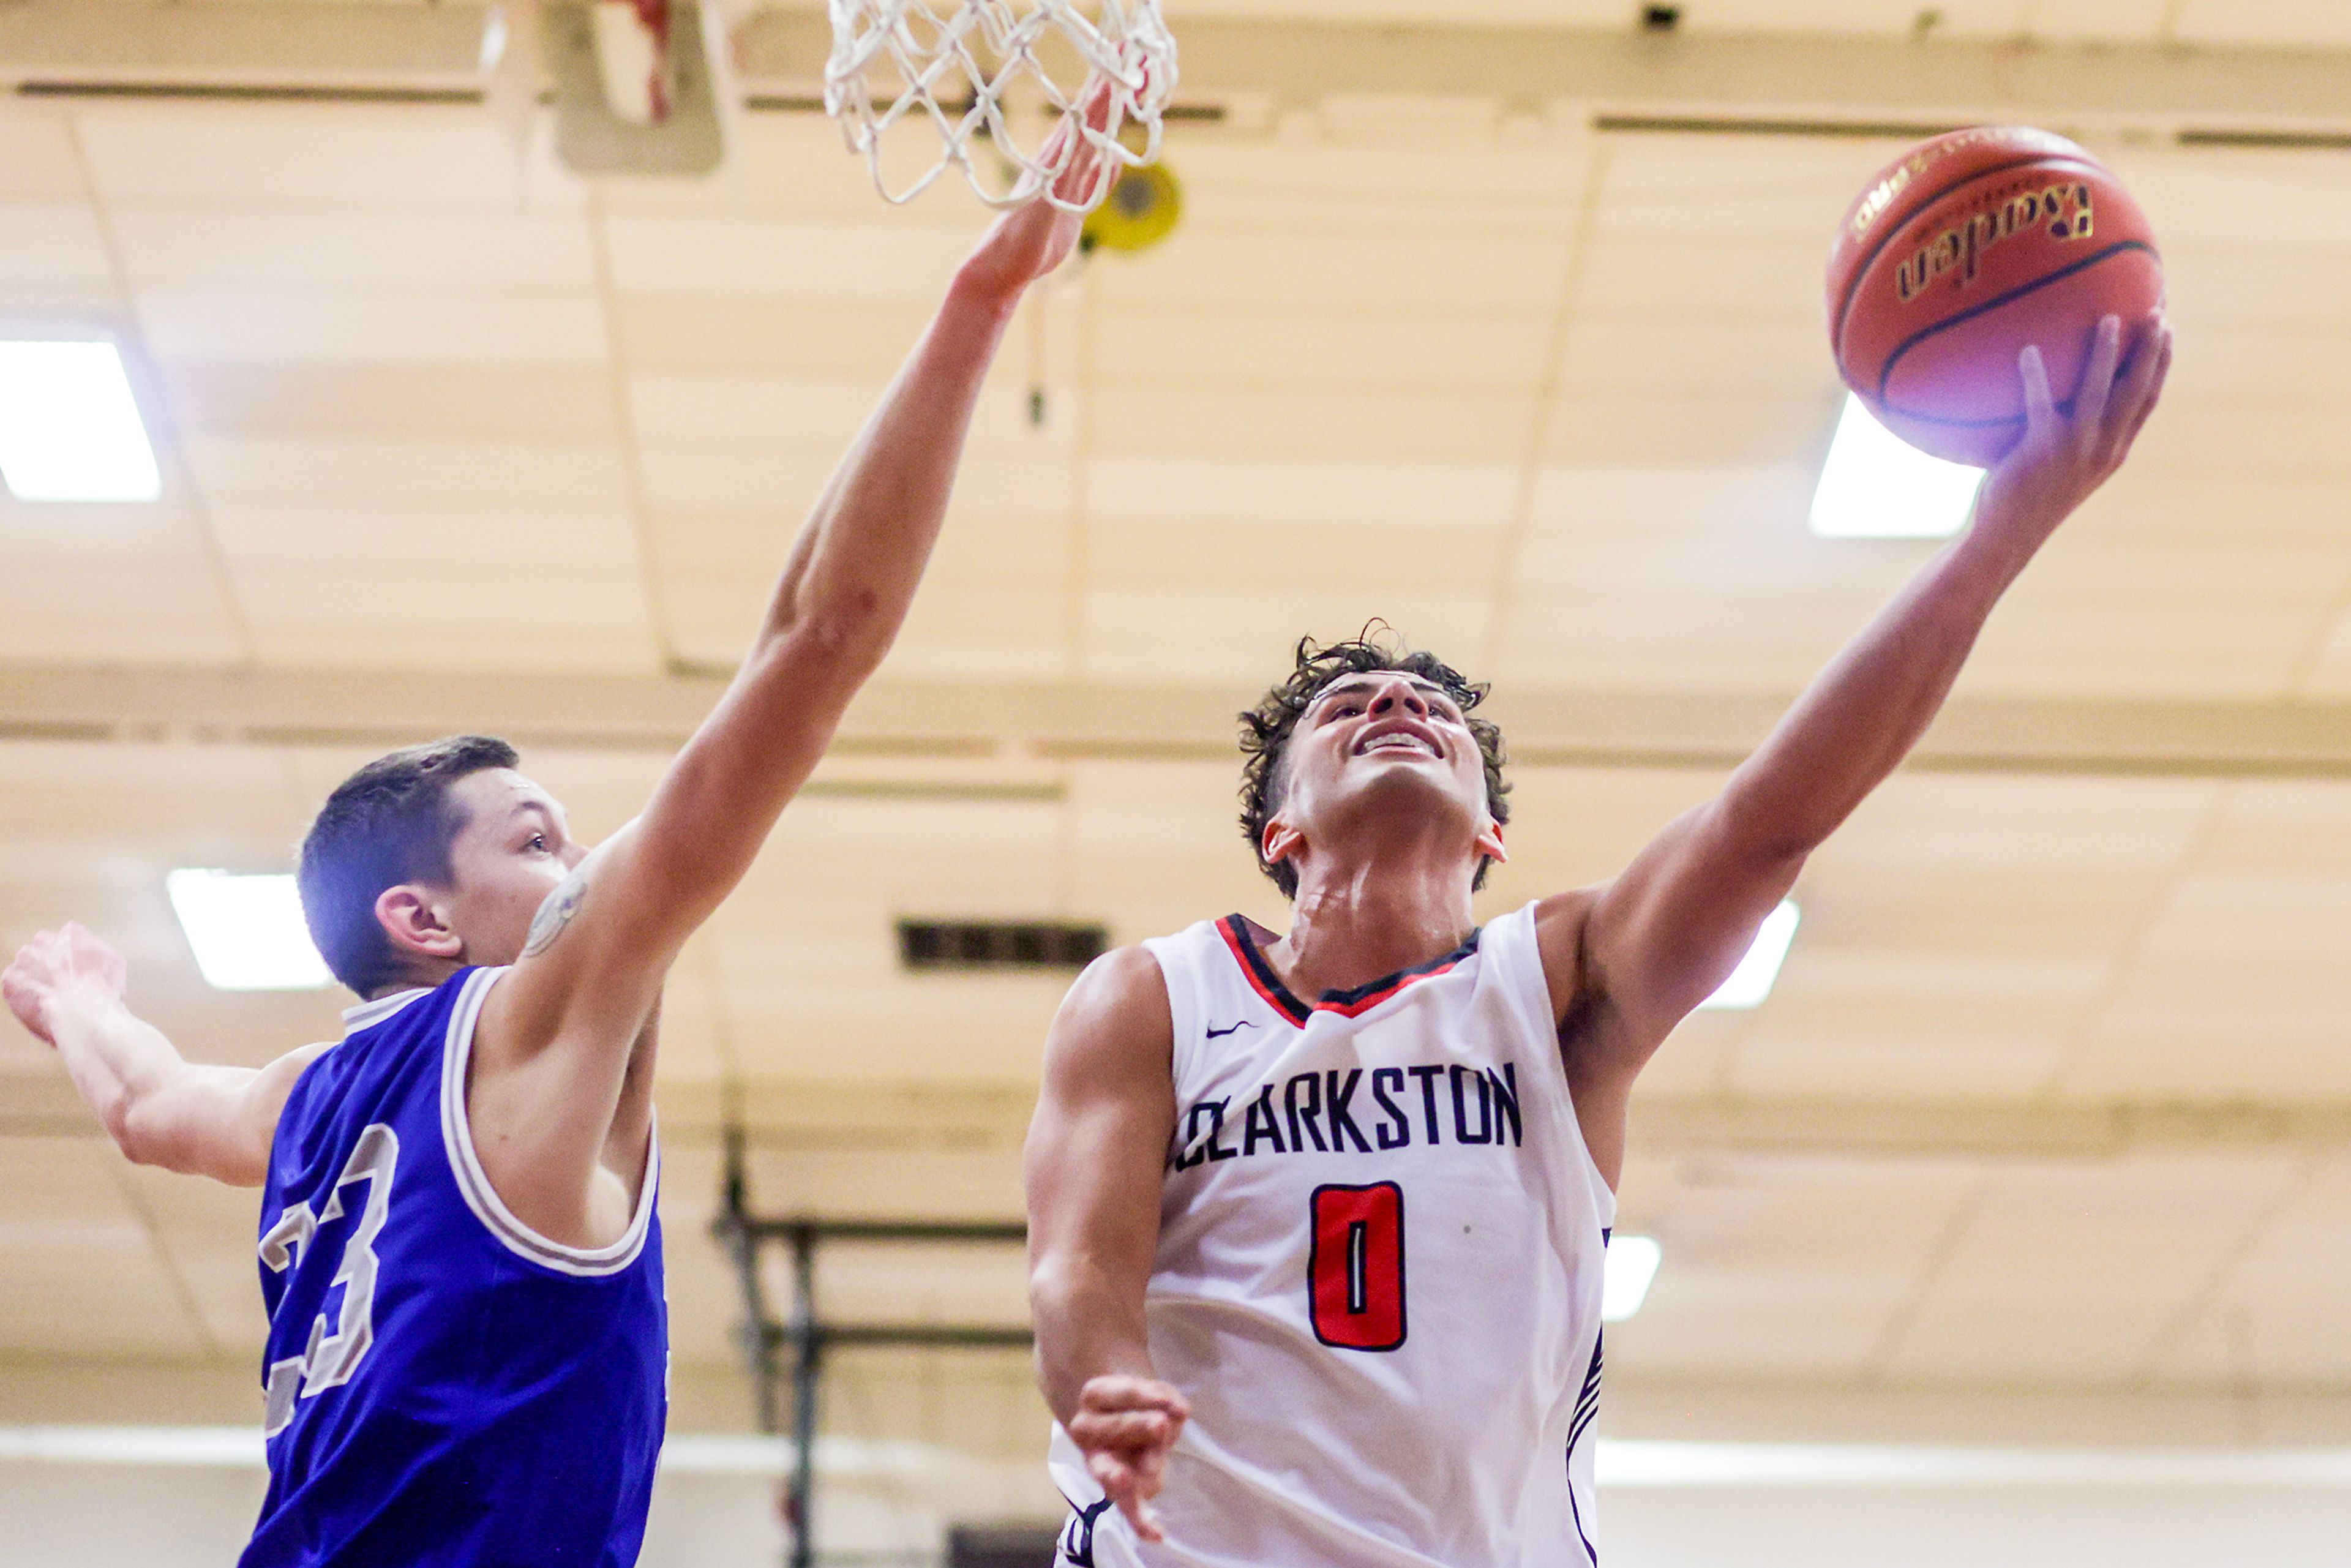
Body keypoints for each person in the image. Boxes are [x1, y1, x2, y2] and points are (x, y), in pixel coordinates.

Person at [1, 124, 1106, 1568]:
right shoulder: (522, 1025)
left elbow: (150, 1105)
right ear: (425, 918)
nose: (584, 870)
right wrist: (980, 300)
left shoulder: (308, 1101)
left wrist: (81, 1004)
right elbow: (817, 641)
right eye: (536, 842)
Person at [1023, 313, 2174, 1568]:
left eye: (1436, 712)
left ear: (1492, 836)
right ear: (1279, 827)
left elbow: (1769, 824)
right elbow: (1079, 1271)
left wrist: (1998, 539)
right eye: (1349, 709)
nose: (1402, 706)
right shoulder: (1156, 997)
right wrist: (1110, 1387)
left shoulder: (1555, 984)